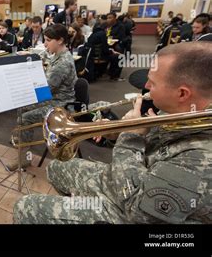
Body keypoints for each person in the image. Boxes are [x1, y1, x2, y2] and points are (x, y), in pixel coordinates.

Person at [14, 41, 212, 224]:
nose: (146, 86)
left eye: (153, 82)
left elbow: (139, 212)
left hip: (135, 210)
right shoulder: (180, 110)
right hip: (133, 179)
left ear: (182, 93)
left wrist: (129, 137)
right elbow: (149, 147)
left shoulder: (202, 158)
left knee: (24, 207)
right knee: (56, 168)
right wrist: (116, 134)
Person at [6, 24, 77, 171]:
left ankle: (23, 158)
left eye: (48, 40)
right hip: (52, 96)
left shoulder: (63, 63)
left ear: (60, 40)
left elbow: (44, 89)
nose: (45, 43)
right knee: (21, 107)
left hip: (61, 103)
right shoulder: (58, 54)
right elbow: (44, 55)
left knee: (23, 117)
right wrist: (30, 56)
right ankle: (22, 136)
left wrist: (23, 87)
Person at [106, 12, 126, 81]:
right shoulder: (107, 26)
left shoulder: (120, 26)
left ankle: (116, 75)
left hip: (117, 44)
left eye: (110, 18)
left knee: (119, 56)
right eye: (107, 18)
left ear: (115, 18)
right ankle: (110, 72)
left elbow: (121, 37)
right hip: (108, 44)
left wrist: (111, 38)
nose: (108, 19)